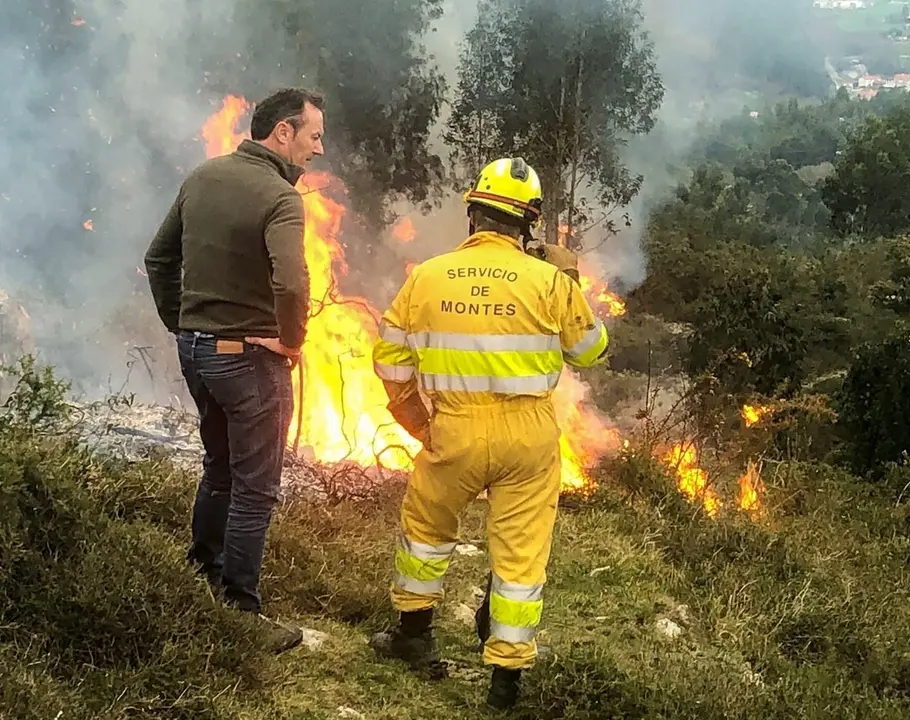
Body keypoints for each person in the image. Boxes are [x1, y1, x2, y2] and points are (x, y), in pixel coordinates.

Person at [369, 157, 609, 709]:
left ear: (473, 212)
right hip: (528, 437)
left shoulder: (426, 276)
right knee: (521, 556)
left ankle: (413, 637)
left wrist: (414, 418)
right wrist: (570, 282)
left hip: (452, 425)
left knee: (426, 532)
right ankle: (505, 682)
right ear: (528, 223)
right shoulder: (551, 280)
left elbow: (390, 359)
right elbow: (591, 351)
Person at [143, 87, 325, 653]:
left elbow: (157, 258)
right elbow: (293, 282)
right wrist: (292, 342)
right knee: (256, 486)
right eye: (315, 135)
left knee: (219, 467)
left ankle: (199, 575)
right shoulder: (280, 197)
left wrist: (183, 323)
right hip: (249, 360)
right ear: (283, 133)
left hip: (197, 353)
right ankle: (241, 610)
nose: (319, 148)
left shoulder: (202, 177)